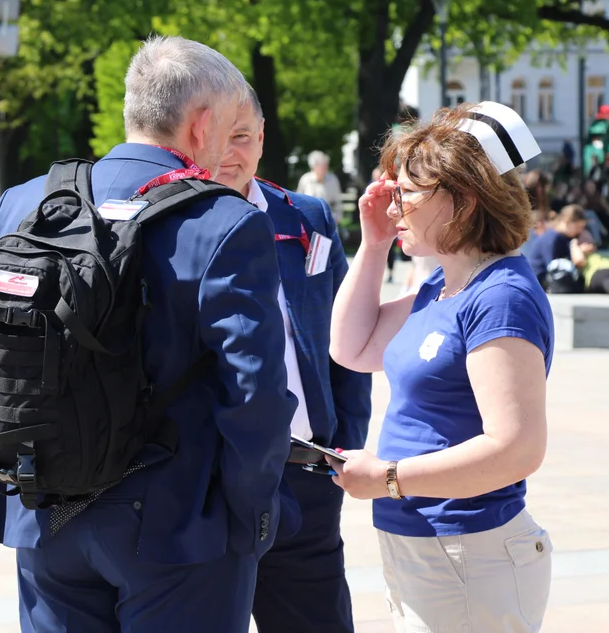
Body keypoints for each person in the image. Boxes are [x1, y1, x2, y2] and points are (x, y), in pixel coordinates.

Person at [0, 35, 294, 632]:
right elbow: (255, 396)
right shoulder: (226, 222)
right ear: (201, 122)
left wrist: (35, 457)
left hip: (42, 512)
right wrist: (252, 516)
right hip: (181, 529)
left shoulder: (26, 203)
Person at [329, 102, 555, 632]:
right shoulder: (441, 284)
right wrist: (374, 244)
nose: (393, 207)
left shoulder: (500, 297)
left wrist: (388, 478)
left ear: (462, 201)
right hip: (434, 550)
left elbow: (517, 448)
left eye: (407, 195)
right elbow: (351, 347)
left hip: (470, 552)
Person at [215, 86, 372, 633]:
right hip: (210, 484)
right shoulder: (170, 222)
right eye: (217, 137)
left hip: (306, 475)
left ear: (261, 139)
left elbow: (345, 334)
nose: (228, 153)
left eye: (242, 137)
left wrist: (344, 443)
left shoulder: (306, 217)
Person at [523, 204, 587, 289]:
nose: (580, 230)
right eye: (578, 226)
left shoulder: (566, 238)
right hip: (540, 283)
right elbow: (553, 266)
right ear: (565, 221)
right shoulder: (552, 238)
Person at [296, 150, 346, 225]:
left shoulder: (332, 179)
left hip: (329, 221)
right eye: (322, 165)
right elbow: (298, 201)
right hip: (309, 220)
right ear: (314, 166)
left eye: (326, 165)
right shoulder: (306, 179)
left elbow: (338, 202)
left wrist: (337, 217)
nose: (325, 168)